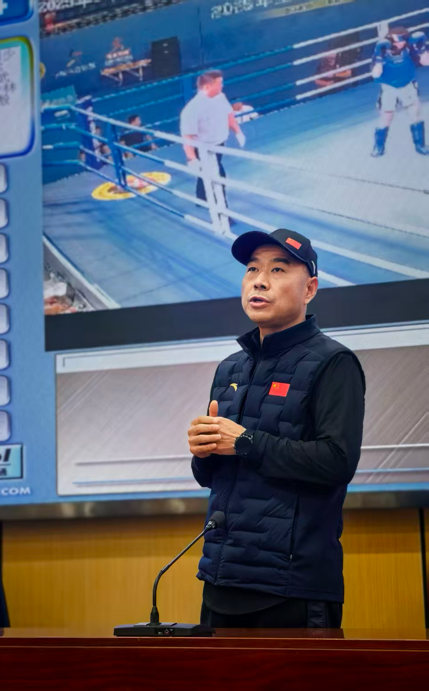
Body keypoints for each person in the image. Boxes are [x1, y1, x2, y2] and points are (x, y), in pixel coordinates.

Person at [188, 228, 365, 628]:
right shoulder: (230, 368)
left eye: (278, 269)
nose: (260, 281)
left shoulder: (334, 362)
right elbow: (214, 476)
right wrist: (203, 451)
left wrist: (245, 442)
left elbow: (337, 462)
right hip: (220, 578)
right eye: (252, 269)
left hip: (293, 586)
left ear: (310, 289)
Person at [180, 70, 246, 218]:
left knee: (207, 172)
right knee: (218, 177)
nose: (222, 86)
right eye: (219, 83)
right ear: (207, 86)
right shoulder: (192, 109)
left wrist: (238, 131)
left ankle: (201, 197)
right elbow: (187, 136)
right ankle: (223, 214)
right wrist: (191, 158)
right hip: (204, 148)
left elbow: (229, 115)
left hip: (219, 143)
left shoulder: (220, 97)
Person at [371, 27, 429, 156]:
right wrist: (379, 58)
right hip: (389, 88)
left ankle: (420, 145)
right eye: (398, 42)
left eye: (403, 41)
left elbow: (426, 62)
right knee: (386, 117)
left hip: (408, 85)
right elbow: (375, 74)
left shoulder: (409, 49)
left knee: (415, 114)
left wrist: (422, 48)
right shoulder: (382, 51)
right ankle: (378, 147)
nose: (401, 44)